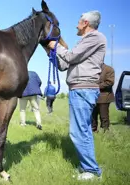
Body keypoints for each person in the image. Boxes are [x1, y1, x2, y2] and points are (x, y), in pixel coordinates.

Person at [48, 10, 106, 180]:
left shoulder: (95, 37)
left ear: (86, 23)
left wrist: (56, 46)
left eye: (79, 21)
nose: (76, 24)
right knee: (83, 130)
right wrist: (51, 53)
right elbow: (65, 65)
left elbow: (71, 56)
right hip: (80, 89)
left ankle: (92, 171)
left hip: (83, 89)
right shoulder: (86, 41)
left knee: (78, 132)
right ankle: (89, 167)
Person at [92, 63, 115, 132]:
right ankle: (93, 131)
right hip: (92, 97)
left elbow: (110, 82)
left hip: (104, 97)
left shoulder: (109, 69)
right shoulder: (92, 68)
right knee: (93, 116)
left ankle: (105, 132)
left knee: (104, 117)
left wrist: (95, 86)